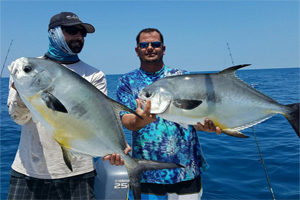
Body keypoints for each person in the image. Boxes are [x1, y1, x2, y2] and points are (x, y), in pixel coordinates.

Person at [6, 11, 128, 200]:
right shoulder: (28, 70)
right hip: (28, 171)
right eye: (72, 31)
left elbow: (102, 117)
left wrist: (117, 146)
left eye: (82, 33)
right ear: (53, 33)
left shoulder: (94, 75)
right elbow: (19, 118)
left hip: (78, 173)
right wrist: (20, 91)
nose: (79, 37)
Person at [116, 28, 221, 200]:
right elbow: (127, 121)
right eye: (144, 45)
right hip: (147, 173)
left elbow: (194, 116)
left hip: (186, 170)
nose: (150, 48)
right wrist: (141, 120)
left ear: (163, 49)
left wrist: (205, 126)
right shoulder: (126, 82)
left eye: (155, 44)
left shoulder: (183, 77)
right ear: (137, 50)